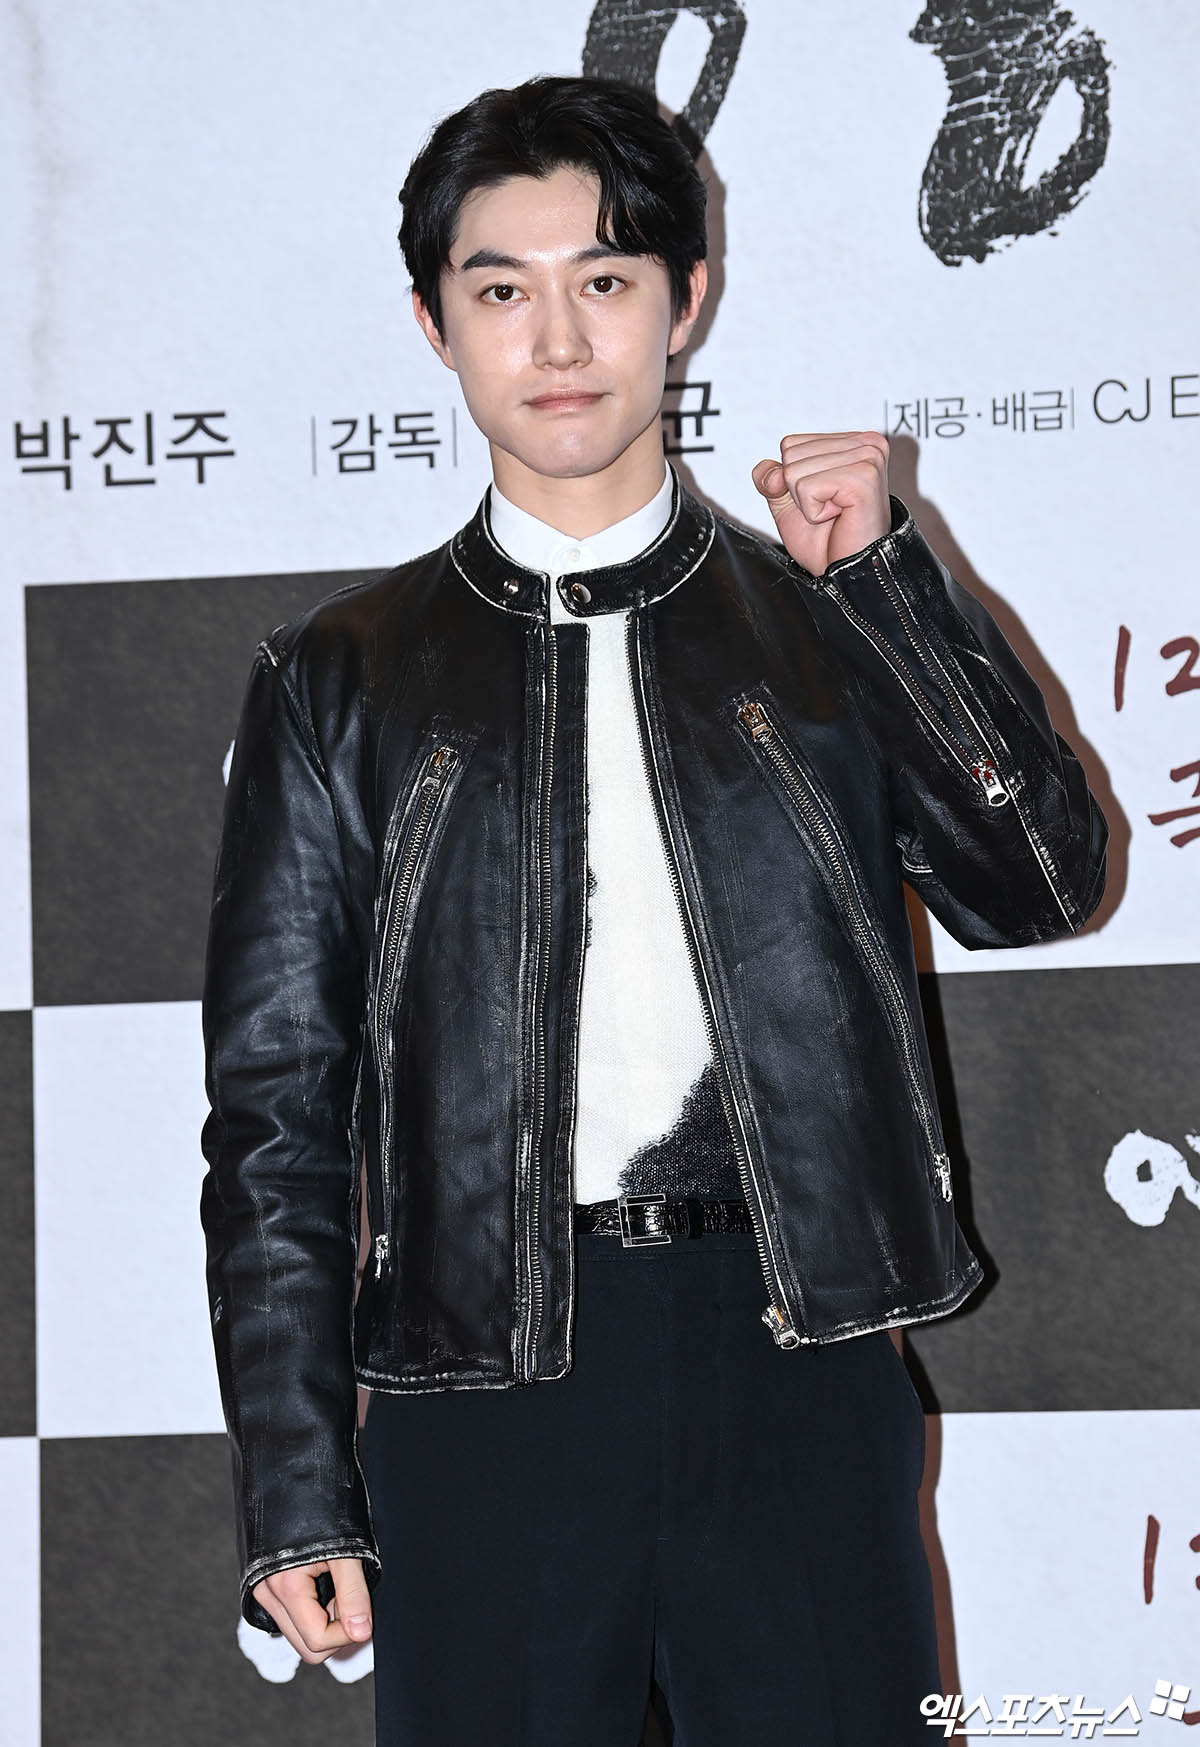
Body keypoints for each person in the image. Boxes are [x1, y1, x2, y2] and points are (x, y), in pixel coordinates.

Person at [199, 73, 1108, 1745]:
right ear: (433, 324)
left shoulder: (823, 617)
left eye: (605, 279)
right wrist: (296, 1478)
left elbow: (1039, 888)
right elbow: (275, 1119)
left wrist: (892, 592)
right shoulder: (338, 678)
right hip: (482, 1392)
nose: (558, 339)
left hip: (797, 1353)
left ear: (686, 299)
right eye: (501, 290)